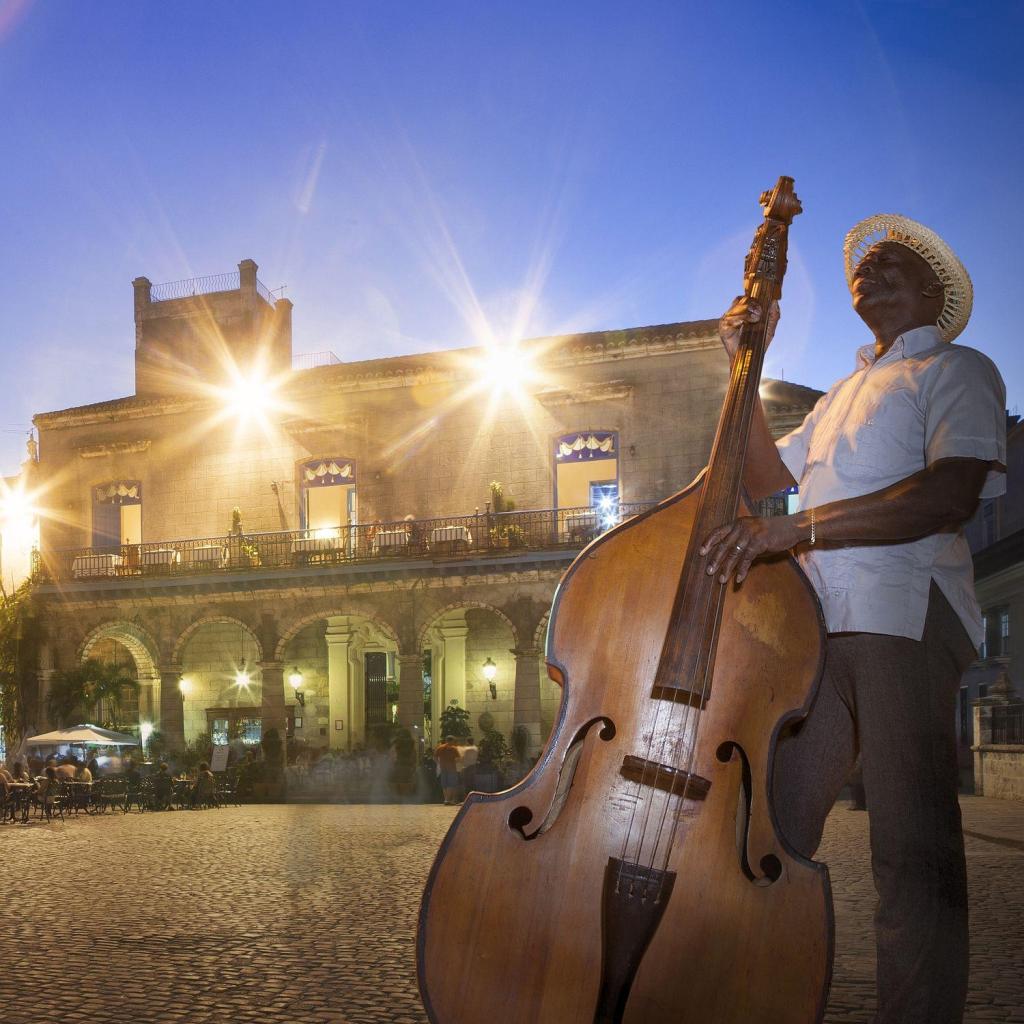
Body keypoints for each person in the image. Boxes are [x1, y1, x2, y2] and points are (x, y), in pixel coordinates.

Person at [700, 214, 1004, 1024]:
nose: (869, 272)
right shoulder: (840, 395)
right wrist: (743, 364)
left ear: (936, 293)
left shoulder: (957, 368)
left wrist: (797, 529)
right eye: (862, 268)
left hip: (905, 614)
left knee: (910, 846)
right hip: (818, 629)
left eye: (892, 263)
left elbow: (949, 496)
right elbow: (765, 476)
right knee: (775, 833)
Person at [434, 735, 462, 806]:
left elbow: (435, 757)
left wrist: (438, 763)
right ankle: (447, 800)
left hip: (443, 768)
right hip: (451, 768)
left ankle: (446, 799)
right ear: (452, 741)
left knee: (444, 784)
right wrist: (454, 761)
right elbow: (458, 759)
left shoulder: (440, 747)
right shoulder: (453, 748)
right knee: (451, 784)